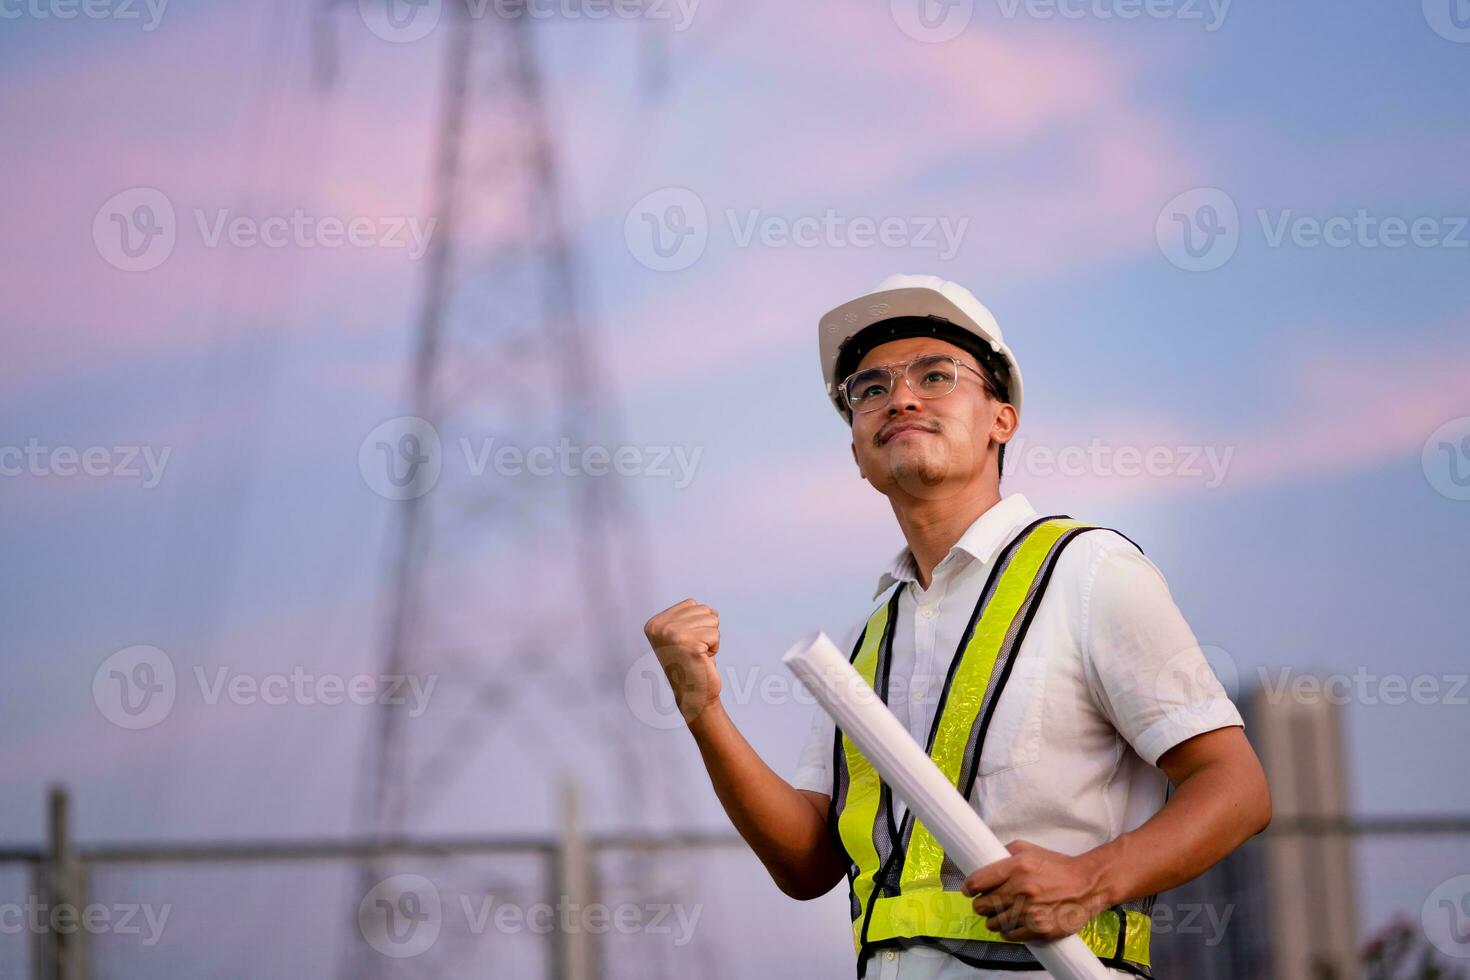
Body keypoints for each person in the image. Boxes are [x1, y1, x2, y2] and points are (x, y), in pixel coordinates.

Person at [642, 274, 1271, 978]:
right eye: (870, 390)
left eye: (936, 375)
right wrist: (704, 711)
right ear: (857, 450)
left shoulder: (1088, 571)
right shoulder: (863, 641)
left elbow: (1237, 788)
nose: (901, 397)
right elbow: (807, 864)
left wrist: (1094, 877)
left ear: (1002, 419)